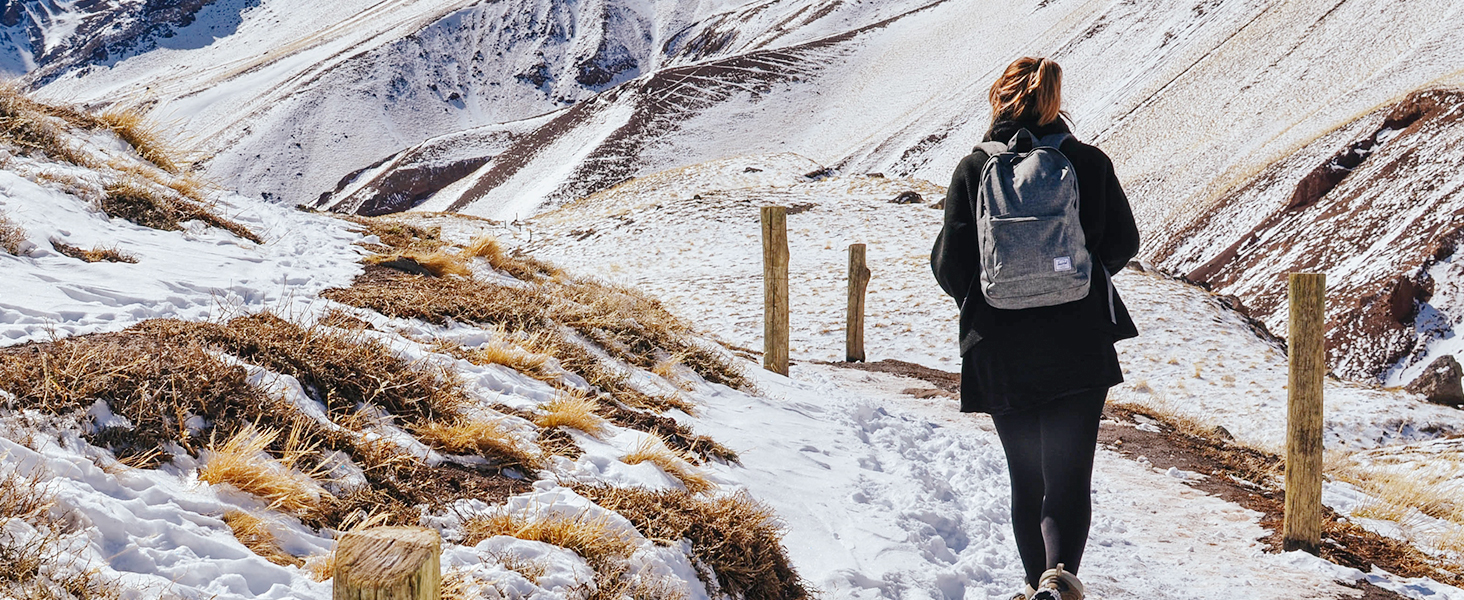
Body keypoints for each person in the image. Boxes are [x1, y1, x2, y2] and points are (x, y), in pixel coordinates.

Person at [930, 56, 1140, 600]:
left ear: (998, 99)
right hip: (1078, 345)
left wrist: (994, 299)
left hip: (999, 348)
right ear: (1055, 100)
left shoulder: (974, 169)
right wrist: (1075, 282)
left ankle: (1035, 587)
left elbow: (950, 266)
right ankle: (1058, 580)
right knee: (1067, 479)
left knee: (1027, 481)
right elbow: (1123, 243)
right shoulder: (1088, 164)